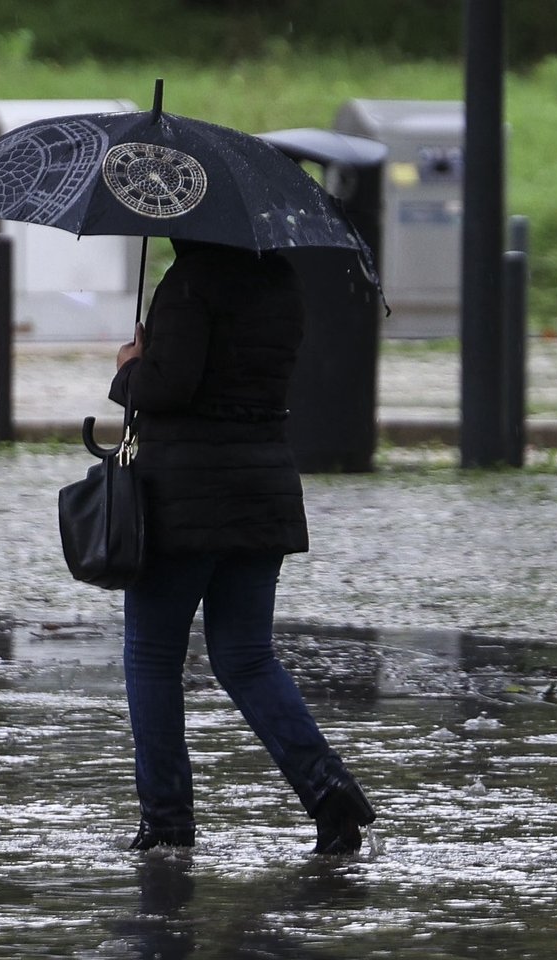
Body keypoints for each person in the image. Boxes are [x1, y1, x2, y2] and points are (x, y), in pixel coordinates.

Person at [109, 237, 374, 855]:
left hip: (185, 501)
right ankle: (328, 790)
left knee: (152, 657)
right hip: (262, 492)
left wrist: (129, 368)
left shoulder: (190, 283)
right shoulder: (279, 280)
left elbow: (171, 386)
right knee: (246, 657)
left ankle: (167, 822)